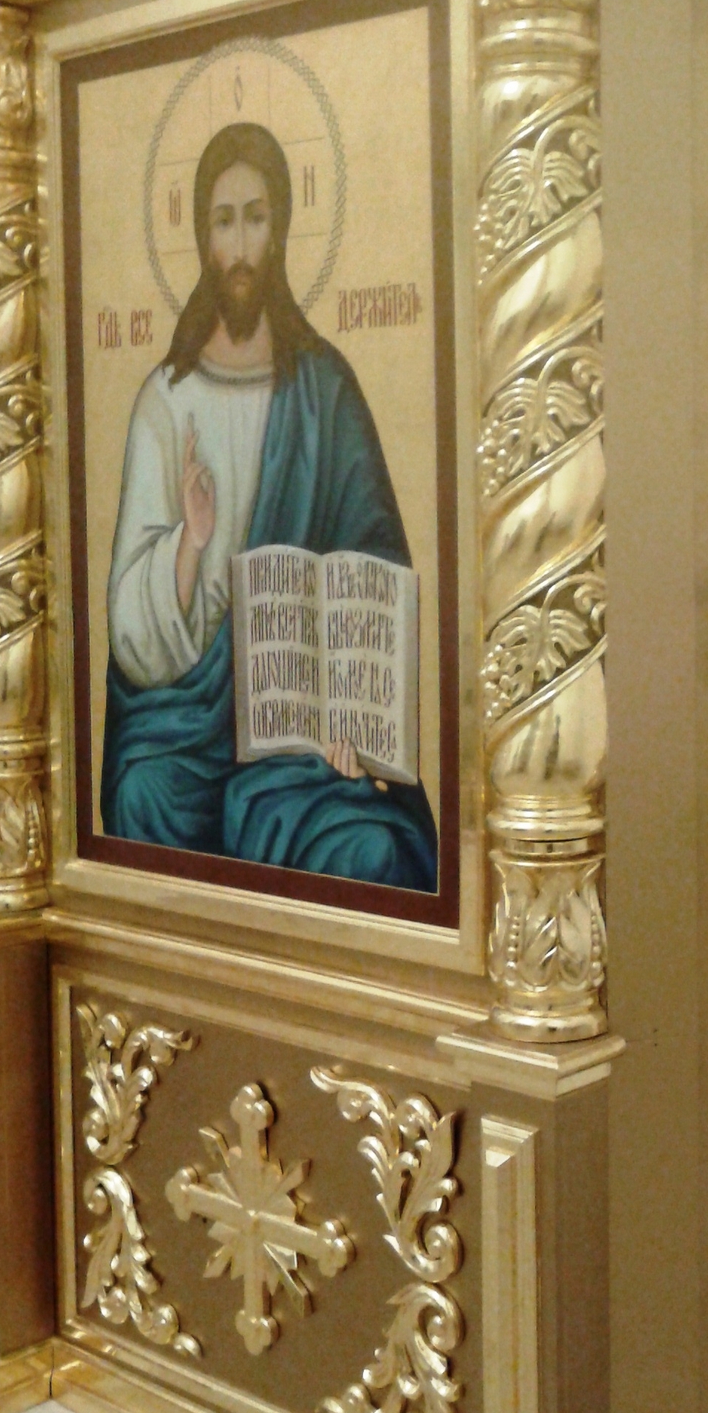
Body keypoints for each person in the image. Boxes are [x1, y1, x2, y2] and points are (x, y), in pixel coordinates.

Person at [102, 120, 437, 891]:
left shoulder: (324, 389)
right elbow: (131, 633)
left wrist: (355, 723)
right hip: (187, 726)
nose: (241, 246)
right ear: (202, 237)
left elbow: (371, 561)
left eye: (256, 218)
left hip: (301, 735)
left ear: (280, 228)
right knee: (142, 796)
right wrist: (190, 544)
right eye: (224, 222)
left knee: (373, 849)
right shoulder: (165, 401)